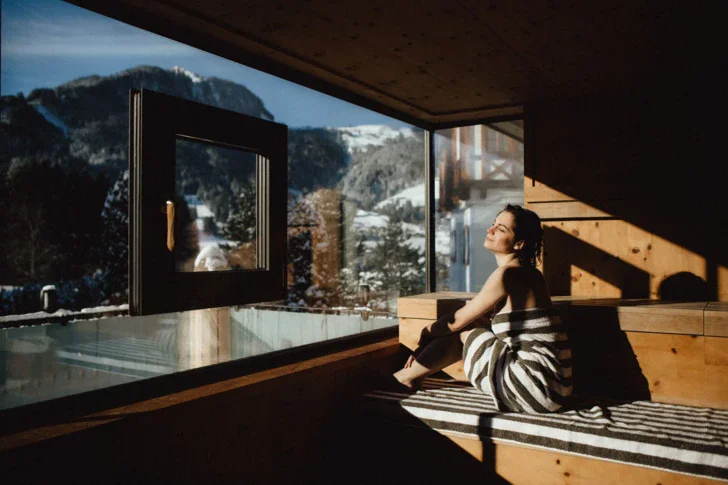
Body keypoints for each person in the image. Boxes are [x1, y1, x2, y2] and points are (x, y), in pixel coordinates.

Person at [393, 204, 572, 413]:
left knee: (465, 331)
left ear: (519, 244)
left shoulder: (508, 275)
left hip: (537, 388)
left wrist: (425, 334)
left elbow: (457, 320)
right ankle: (411, 376)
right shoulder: (530, 275)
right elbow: (475, 320)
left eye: (501, 229)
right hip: (557, 388)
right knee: (472, 328)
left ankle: (405, 377)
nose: (491, 230)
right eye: (493, 224)